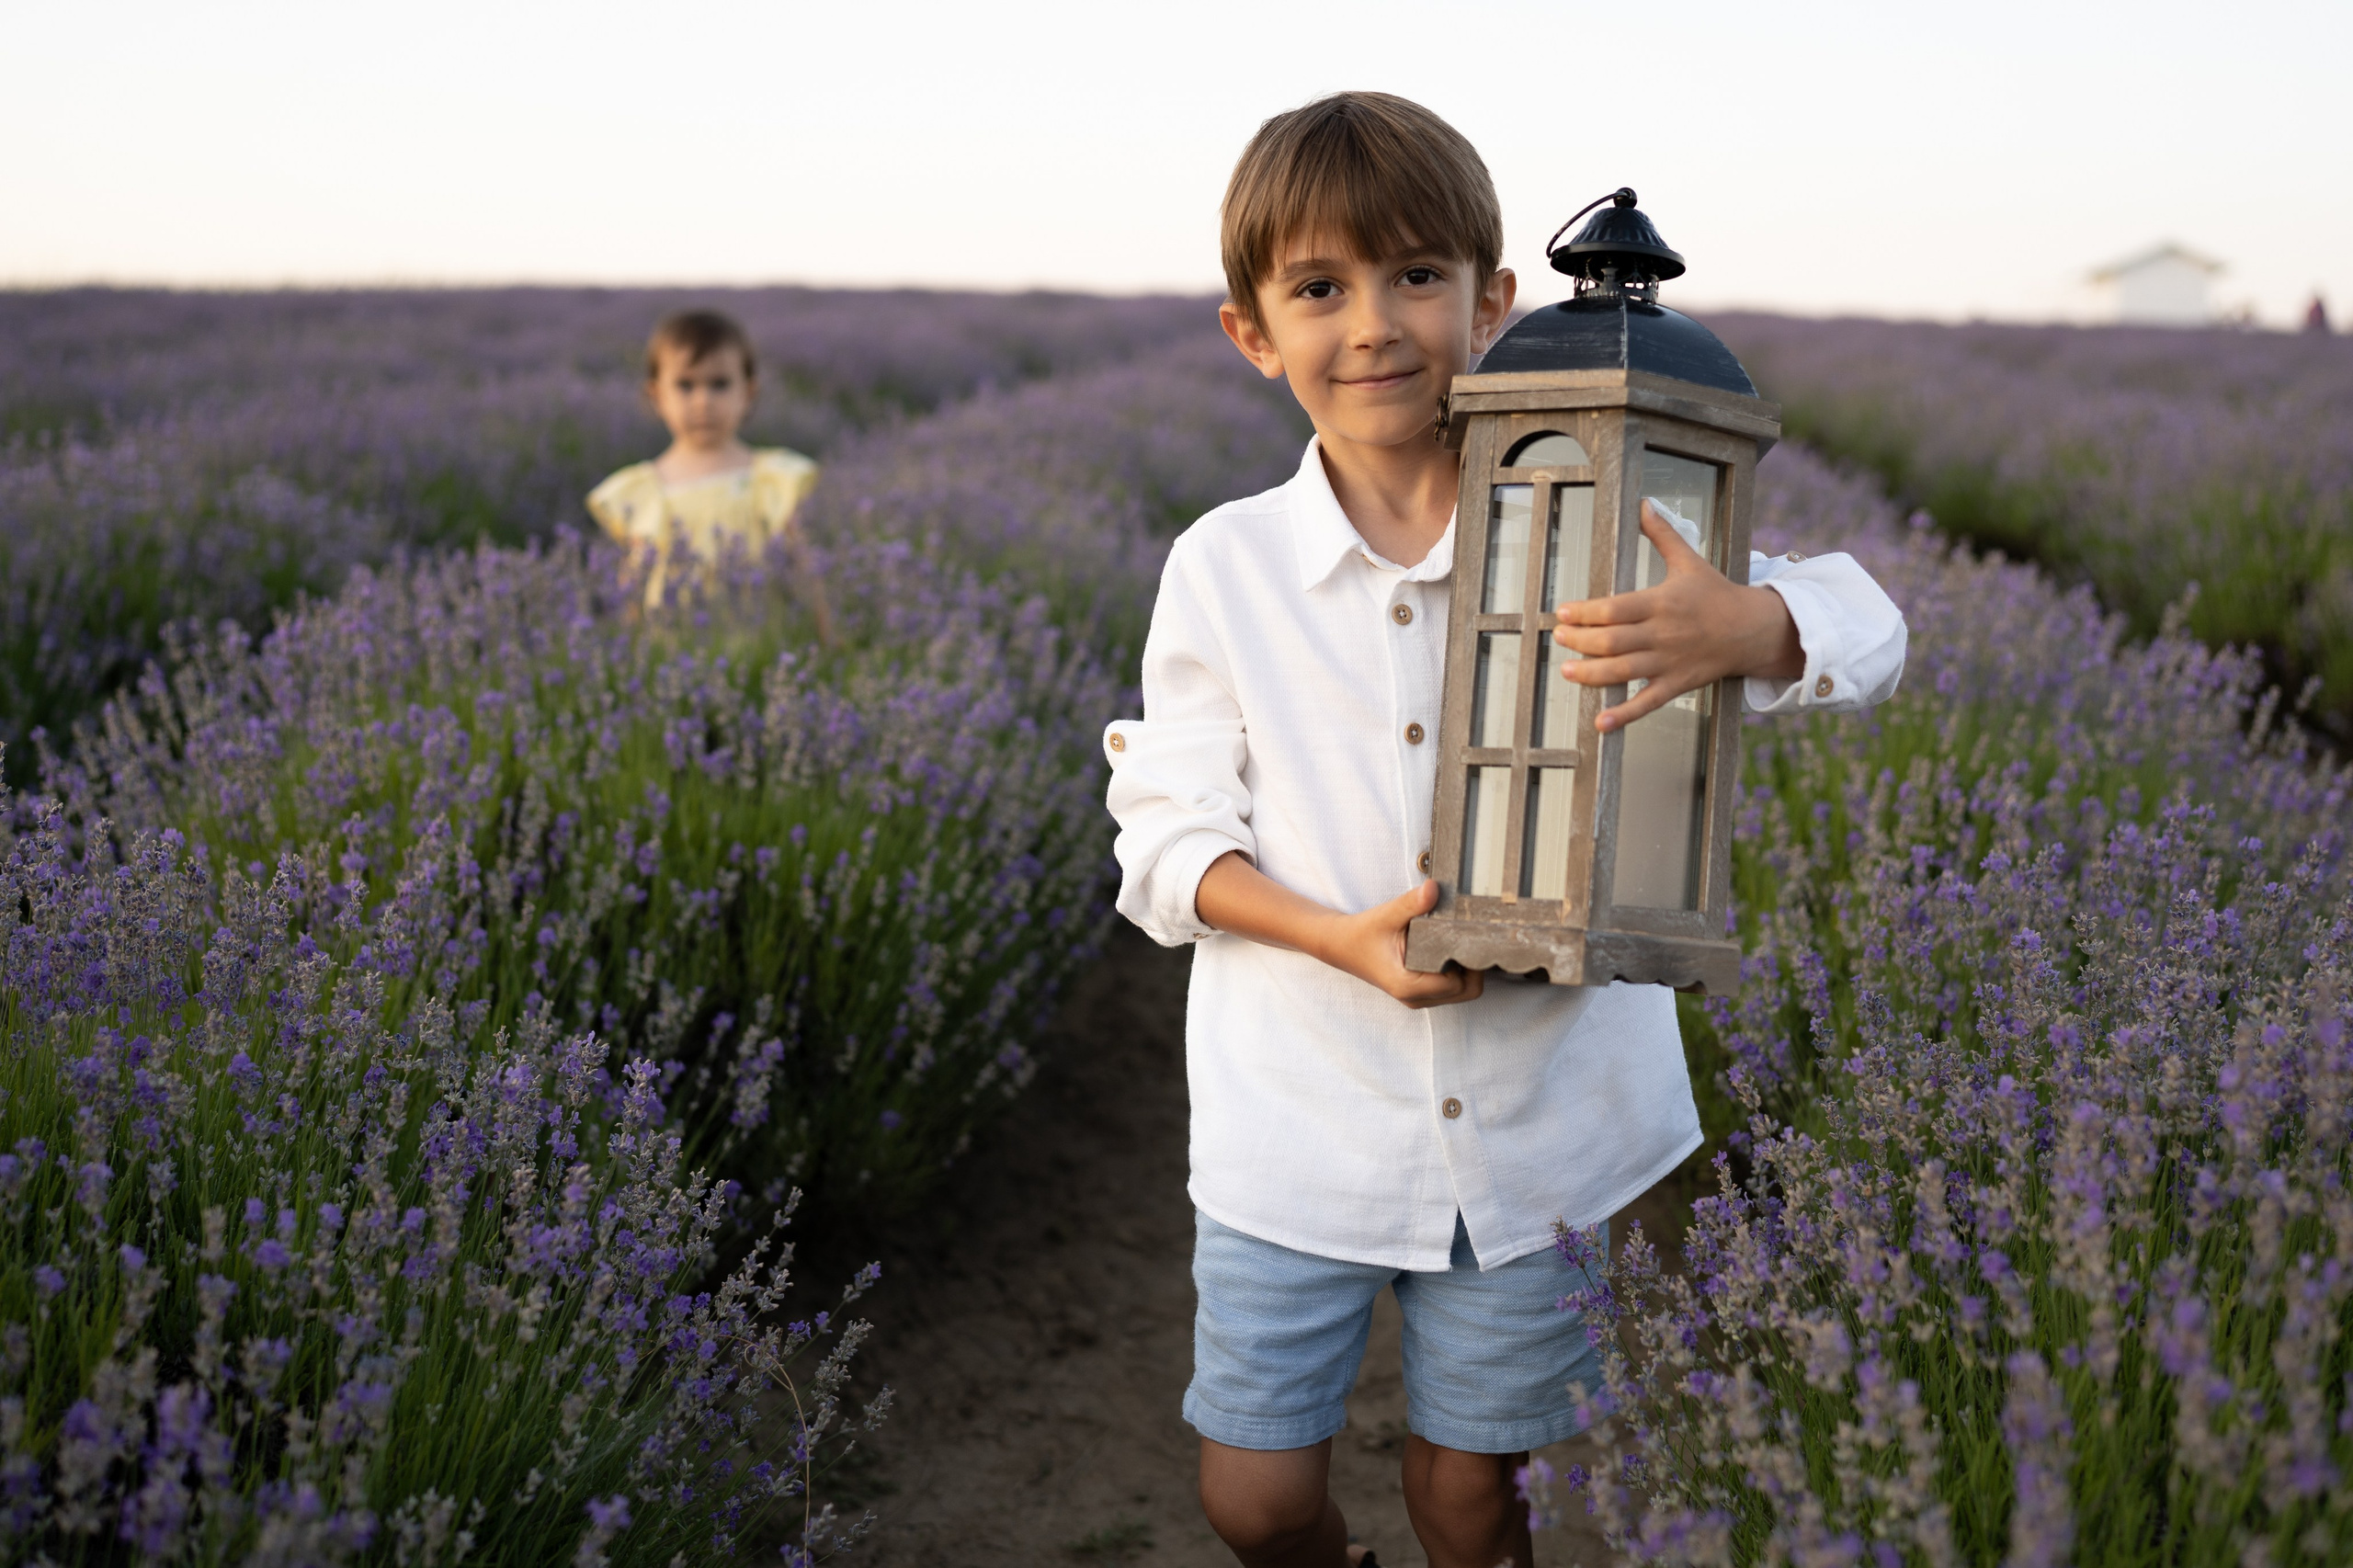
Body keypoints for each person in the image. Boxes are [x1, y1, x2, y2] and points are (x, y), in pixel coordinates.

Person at [1103, 93, 1906, 1568]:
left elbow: (1873, 623)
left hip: (1543, 1130)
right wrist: (1337, 934)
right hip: (1305, 1125)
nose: (1375, 326)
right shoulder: (1224, 567)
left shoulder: (1592, 510)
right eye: (1320, 289)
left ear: (1493, 301)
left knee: (1474, 1497)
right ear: (1251, 333)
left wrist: (1753, 622)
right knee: (1256, 1497)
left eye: (1417, 277)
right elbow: (1164, 836)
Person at [586, 308, 835, 640]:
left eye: (719, 384)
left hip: (757, 645)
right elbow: (632, 584)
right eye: (685, 386)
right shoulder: (643, 490)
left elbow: (806, 569)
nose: (703, 401)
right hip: (669, 647)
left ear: (748, 394)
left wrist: (826, 636)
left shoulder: (770, 480)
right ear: (657, 396)